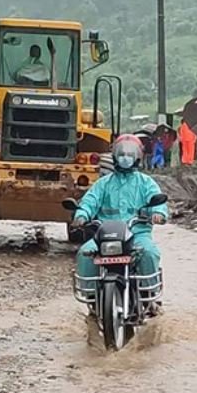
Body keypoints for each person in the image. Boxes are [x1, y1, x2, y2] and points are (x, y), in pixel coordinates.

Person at [72, 134, 168, 314]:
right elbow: (89, 201)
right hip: (105, 235)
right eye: (122, 154)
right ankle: (92, 298)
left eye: (130, 154)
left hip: (137, 234)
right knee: (85, 253)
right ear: (115, 155)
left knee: (149, 252)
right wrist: (81, 215)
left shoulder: (146, 183)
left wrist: (158, 213)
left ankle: (149, 296)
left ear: (138, 157)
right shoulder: (103, 184)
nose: (126, 158)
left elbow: (159, 202)